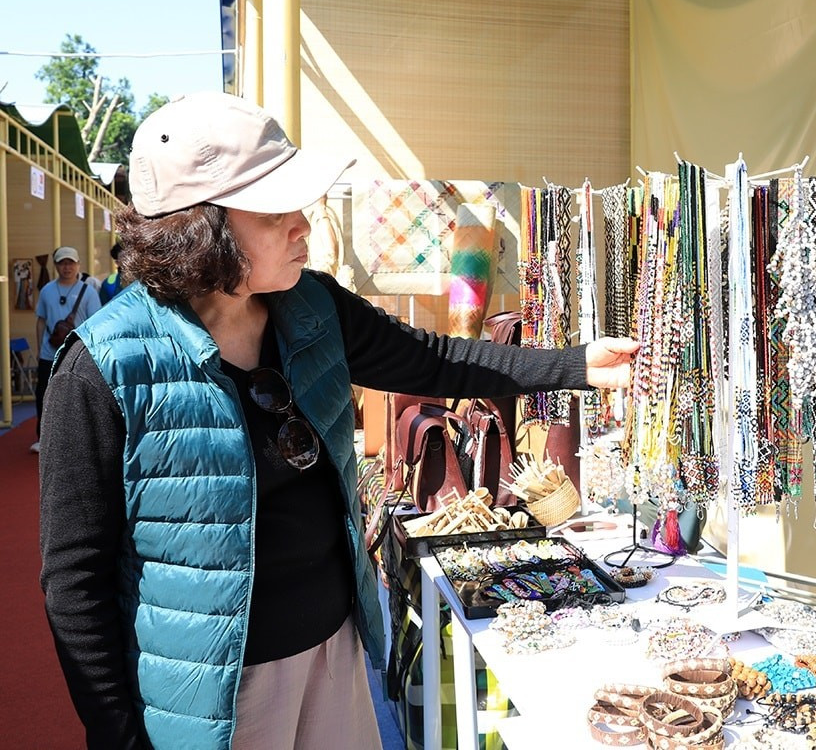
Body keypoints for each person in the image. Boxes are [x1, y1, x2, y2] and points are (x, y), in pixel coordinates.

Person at [38, 91, 638, 750]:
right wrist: (118, 736)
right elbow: (75, 580)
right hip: (210, 700)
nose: (303, 225)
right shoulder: (102, 366)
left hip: (335, 656)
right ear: (200, 229)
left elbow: (433, 361)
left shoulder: (311, 306)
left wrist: (578, 365)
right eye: (276, 211)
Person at [32, 245, 101, 454]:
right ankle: (43, 438)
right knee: (43, 394)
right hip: (48, 353)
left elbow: (95, 323)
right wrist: (38, 350)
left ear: (78, 264)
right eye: (62, 263)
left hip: (77, 354)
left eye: (70, 262)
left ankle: (77, 440)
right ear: (56, 266)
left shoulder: (88, 291)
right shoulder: (46, 291)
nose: (67, 267)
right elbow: (41, 321)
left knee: (77, 397)